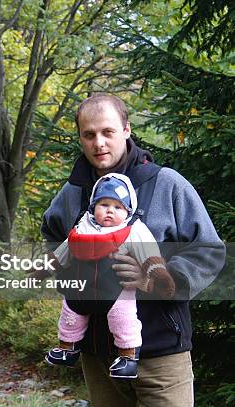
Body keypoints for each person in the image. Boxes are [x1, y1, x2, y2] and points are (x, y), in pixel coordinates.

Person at [41, 94, 225, 406]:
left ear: (126, 130)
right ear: (81, 138)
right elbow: (51, 238)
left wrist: (159, 278)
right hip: (99, 356)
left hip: (162, 352)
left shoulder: (167, 184)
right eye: (89, 134)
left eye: (108, 132)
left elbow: (208, 250)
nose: (99, 143)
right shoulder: (74, 193)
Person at [45, 173, 175, 380]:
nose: (109, 211)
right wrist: (44, 268)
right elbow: (64, 251)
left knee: (123, 320)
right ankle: (67, 349)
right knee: (70, 315)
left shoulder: (133, 230)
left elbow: (149, 254)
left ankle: (128, 357)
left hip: (116, 289)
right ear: (93, 206)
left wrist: (159, 277)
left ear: (127, 211)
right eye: (104, 204)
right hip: (82, 290)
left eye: (117, 207)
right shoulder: (82, 227)